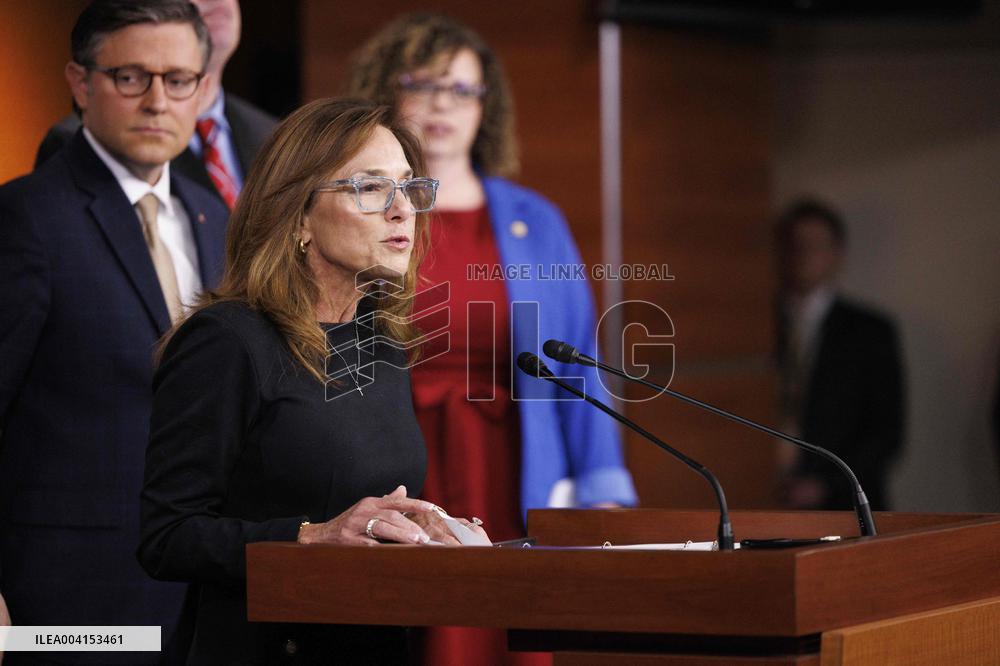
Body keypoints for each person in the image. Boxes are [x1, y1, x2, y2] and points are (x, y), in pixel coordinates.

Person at [137, 97, 488, 665]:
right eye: (371, 188)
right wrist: (310, 536)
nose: (403, 209)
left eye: (409, 187)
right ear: (299, 216)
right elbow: (167, 536)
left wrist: (427, 527)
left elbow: (362, 505)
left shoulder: (382, 342)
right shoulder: (227, 342)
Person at [347, 13, 637, 665]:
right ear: (386, 92)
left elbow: (578, 365)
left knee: (505, 637)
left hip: (512, 467)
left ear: (486, 106)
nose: (442, 105)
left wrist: (602, 486)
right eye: (422, 85)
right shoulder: (358, 208)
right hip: (396, 462)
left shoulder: (536, 219)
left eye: (461, 90)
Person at [0, 1, 228, 664]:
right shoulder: (25, 218)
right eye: (131, 77)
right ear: (80, 82)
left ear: (202, 90)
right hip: (64, 606)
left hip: (199, 599)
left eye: (178, 80)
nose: (158, 101)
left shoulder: (214, 216)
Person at [35, 0, 275, 210]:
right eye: (129, 78)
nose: (215, 1)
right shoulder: (76, 141)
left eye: (178, 81)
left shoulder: (272, 132)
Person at [774, 199, 905, 511]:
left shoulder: (870, 331)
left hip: (845, 504)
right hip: (765, 500)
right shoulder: (756, 327)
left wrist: (824, 483)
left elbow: (887, 431)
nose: (804, 255)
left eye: (815, 245)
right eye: (796, 245)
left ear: (836, 254)